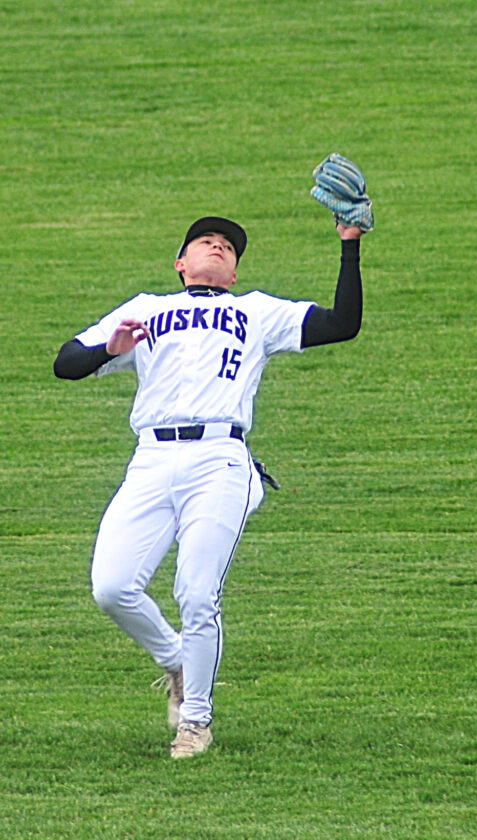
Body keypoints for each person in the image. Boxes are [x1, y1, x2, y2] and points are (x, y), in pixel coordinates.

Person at [54, 213, 366, 758]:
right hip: (152, 461)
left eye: (228, 246)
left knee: (197, 594)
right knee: (111, 586)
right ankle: (177, 660)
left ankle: (195, 722)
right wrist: (109, 348)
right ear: (181, 263)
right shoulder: (146, 309)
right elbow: (66, 363)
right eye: (206, 240)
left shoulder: (256, 312)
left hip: (220, 460)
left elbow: (343, 323)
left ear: (235, 273)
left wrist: (350, 246)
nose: (218, 247)